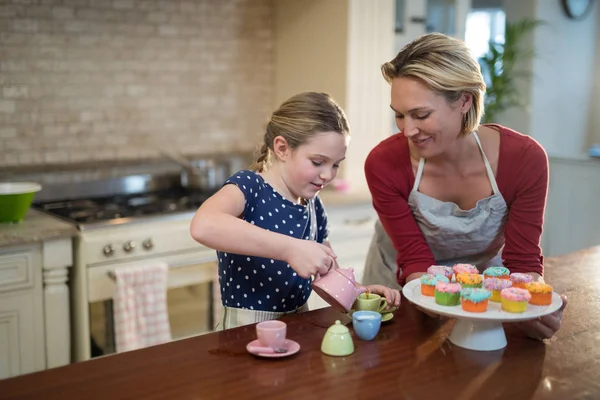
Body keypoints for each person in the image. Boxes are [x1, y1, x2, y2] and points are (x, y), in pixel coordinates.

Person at [362, 33, 566, 340]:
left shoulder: (524, 159)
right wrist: (440, 300)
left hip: (483, 285)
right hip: (400, 282)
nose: (408, 130)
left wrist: (529, 305)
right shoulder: (383, 164)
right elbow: (415, 259)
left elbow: (523, 260)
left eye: (420, 114)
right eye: (399, 116)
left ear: (464, 100)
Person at [190, 92, 401, 330]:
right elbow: (203, 225)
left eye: (335, 164)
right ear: (281, 148)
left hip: (299, 325)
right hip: (244, 331)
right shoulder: (250, 187)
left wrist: (360, 294)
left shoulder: (313, 205)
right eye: (318, 162)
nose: (328, 175)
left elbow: (328, 274)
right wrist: (290, 248)